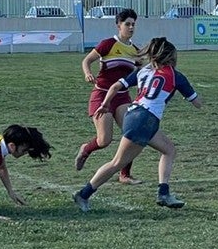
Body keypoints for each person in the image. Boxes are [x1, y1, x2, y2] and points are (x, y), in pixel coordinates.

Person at [73, 37, 203, 212]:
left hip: (133, 114)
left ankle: (164, 193)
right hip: (145, 120)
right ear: (171, 57)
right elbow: (197, 103)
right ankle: (83, 194)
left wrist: (105, 104)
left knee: (169, 150)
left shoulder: (144, 71)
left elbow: (115, 87)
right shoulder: (175, 75)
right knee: (117, 163)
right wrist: (191, 93)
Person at [75, 8, 143, 184]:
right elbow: (86, 60)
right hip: (102, 95)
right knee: (104, 140)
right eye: (127, 24)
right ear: (118, 25)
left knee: (132, 134)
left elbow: (140, 72)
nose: (131, 27)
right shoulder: (108, 44)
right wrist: (87, 73)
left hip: (122, 97)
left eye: (133, 24)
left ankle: (124, 175)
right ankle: (86, 149)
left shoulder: (136, 51)